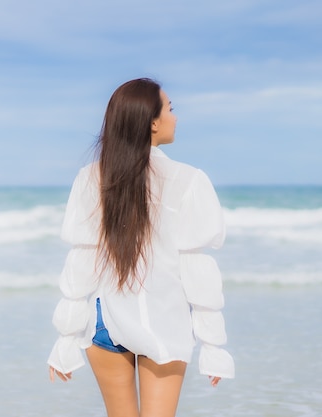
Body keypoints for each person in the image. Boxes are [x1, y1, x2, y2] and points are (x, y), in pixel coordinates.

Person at [47, 78, 234, 417]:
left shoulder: (92, 177)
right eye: (171, 109)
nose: (176, 117)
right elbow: (196, 267)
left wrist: (65, 340)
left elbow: (81, 261)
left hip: (107, 322)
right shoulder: (188, 180)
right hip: (164, 322)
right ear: (152, 122)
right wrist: (213, 346)